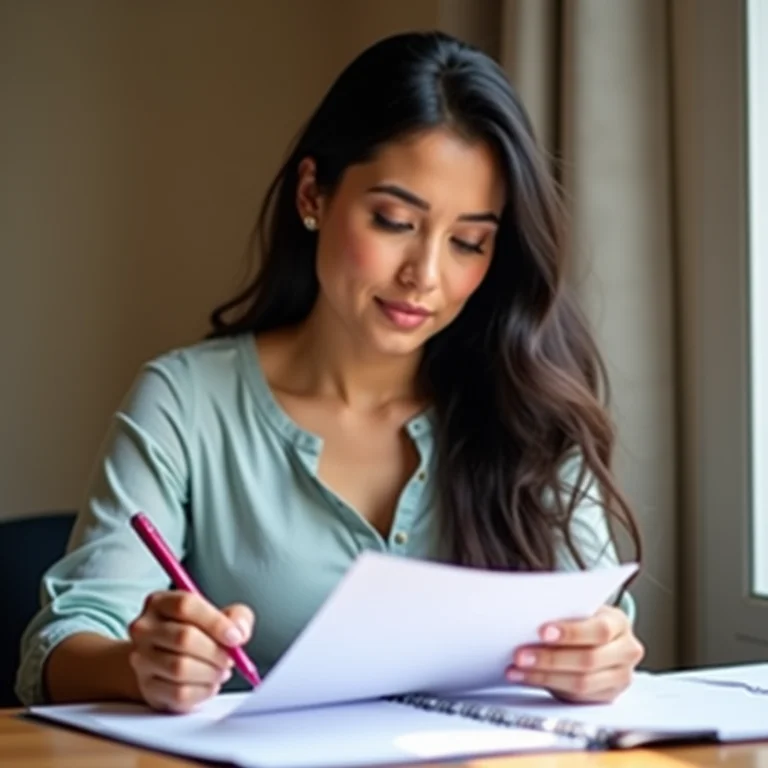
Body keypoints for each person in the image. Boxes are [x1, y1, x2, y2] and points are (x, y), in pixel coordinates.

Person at [16, 30, 644, 714]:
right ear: (313, 194)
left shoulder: (525, 400)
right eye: (394, 221)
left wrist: (602, 656)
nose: (425, 276)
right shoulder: (186, 403)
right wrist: (139, 664)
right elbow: (61, 646)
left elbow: (603, 621)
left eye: (469, 242)